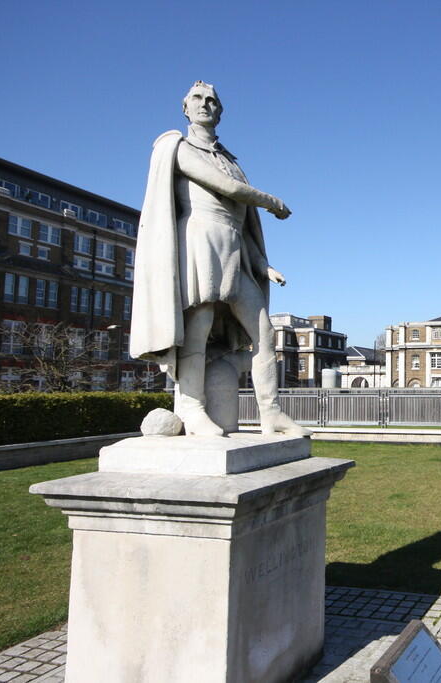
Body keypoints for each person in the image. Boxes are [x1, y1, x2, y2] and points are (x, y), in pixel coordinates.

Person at [130, 81, 308, 437]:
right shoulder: (178, 148)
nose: (205, 104)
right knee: (198, 327)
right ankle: (192, 409)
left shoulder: (231, 161)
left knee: (264, 332)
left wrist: (262, 265)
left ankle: (271, 413)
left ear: (220, 111)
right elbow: (226, 188)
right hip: (200, 241)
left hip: (234, 251)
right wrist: (271, 202)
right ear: (185, 108)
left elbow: (239, 222)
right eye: (197, 99)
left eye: (212, 100)